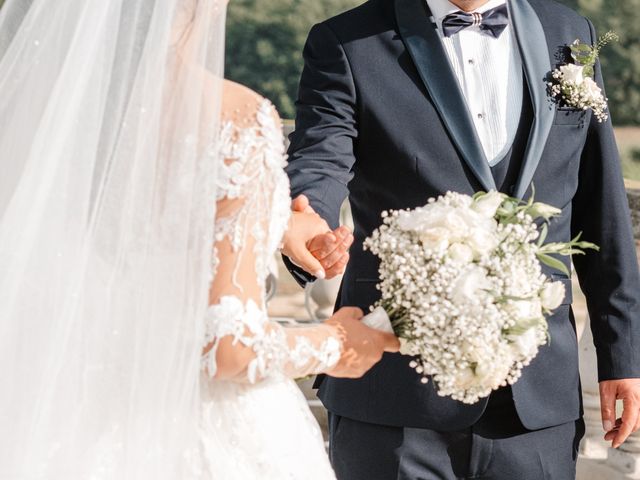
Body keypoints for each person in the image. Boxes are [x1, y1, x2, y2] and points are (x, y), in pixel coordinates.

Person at [0, 0, 398, 478]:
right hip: (194, 428)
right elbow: (227, 348)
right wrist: (339, 343)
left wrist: (276, 224)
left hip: (71, 408)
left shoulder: (40, 109)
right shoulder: (233, 118)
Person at [284, 0, 640, 478]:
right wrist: (310, 220)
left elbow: (600, 208)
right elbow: (321, 156)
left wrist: (623, 355)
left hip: (535, 402)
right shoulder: (348, 41)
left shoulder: (570, 32)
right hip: (394, 396)